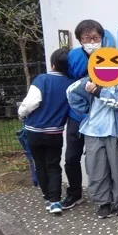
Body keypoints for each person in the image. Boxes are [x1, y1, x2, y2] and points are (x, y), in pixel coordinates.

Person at [67, 60, 118, 219]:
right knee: (96, 170)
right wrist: (86, 110)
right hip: (92, 132)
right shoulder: (90, 80)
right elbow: (71, 92)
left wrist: (97, 91)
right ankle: (103, 203)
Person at [18, 49, 72, 214]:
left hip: (34, 131)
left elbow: (31, 103)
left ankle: (48, 198)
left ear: (53, 64)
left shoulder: (42, 79)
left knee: (40, 164)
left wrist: (21, 114)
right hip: (55, 132)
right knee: (54, 166)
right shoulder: (71, 83)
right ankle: (56, 202)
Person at [62, 19, 105, 210]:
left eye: (95, 37)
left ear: (102, 38)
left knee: (96, 159)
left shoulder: (109, 56)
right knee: (71, 157)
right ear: (80, 40)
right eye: (87, 38)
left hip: (99, 115)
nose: (91, 41)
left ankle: (103, 196)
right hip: (76, 115)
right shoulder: (72, 56)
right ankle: (74, 193)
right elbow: (67, 83)